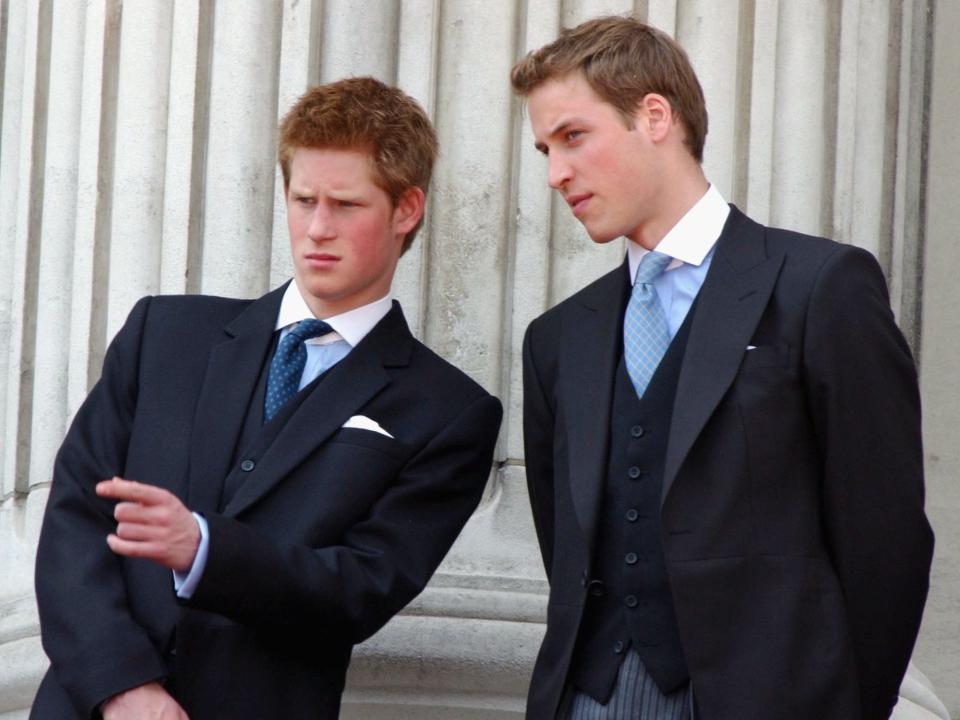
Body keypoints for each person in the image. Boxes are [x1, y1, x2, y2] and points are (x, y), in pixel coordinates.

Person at [30, 76, 502, 720]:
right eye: (303, 199)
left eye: (346, 204)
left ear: (406, 209)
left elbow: (358, 590)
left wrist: (204, 550)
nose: (317, 228)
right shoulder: (162, 334)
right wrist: (121, 686)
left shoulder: (450, 412)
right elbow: (74, 520)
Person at [512, 16, 932, 720]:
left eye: (573, 137)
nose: (556, 174)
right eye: (545, 150)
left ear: (654, 116)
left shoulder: (820, 287)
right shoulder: (557, 340)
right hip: (587, 699)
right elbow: (568, 551)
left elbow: (884, 540)